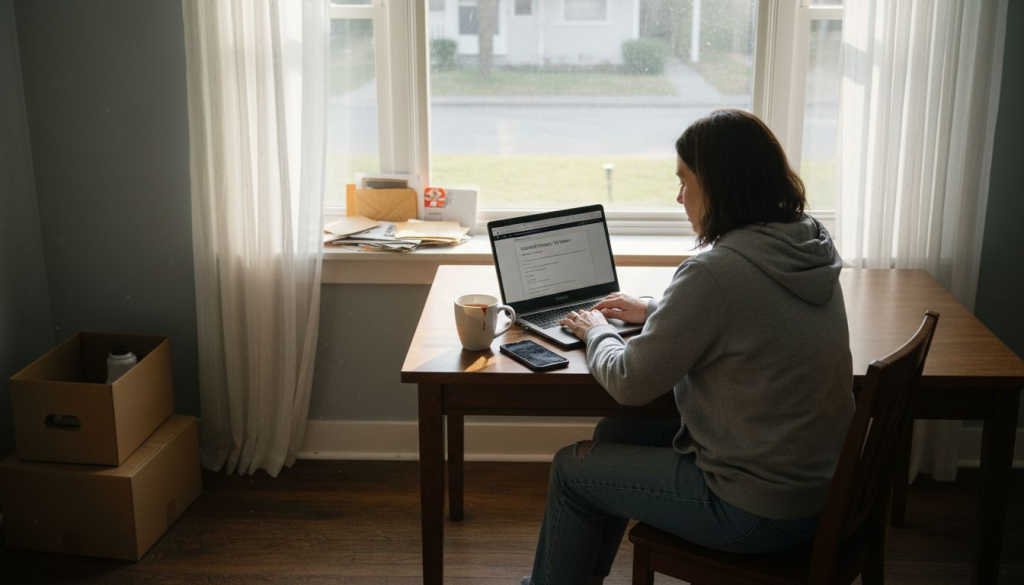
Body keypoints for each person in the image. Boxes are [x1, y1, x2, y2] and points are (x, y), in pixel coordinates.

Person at [521, 109, 855, 585]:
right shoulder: (806, 243)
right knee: (615, 433)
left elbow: (630, 383)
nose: (679, 197)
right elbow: (750, 316)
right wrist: (655, 310)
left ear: (719, 186)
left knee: (570, 469)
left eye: (684, 182)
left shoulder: (714, 272)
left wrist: (596, 329)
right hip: (818, 490)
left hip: (755, 510)